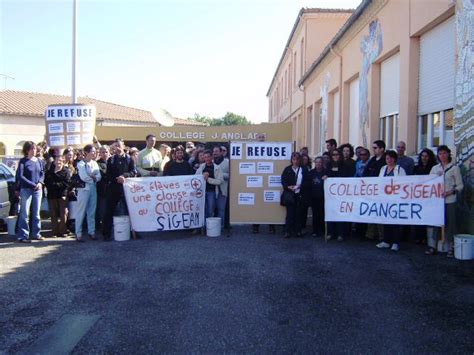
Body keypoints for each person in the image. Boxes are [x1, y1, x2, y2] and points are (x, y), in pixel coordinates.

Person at [427, 145, 463, 257]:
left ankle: (451, 248)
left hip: (449, 200)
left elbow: (460, 185)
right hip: (437, 201)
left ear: (448, 154)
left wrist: (450, 192)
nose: (442, 155)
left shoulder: (454, 168)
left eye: (444, 153)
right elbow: (428, 183)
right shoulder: (435, 168)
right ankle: (433, 246)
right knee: (436, 223)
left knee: (451, 223)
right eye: (440, 153)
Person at [102, 139, 137, 241]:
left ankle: (133, 231)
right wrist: (117, 178)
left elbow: (133, 172)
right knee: (108, 211)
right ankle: (106, 234)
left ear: (123, 146)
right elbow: (108, 175)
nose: (117, 148)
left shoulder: (129, 159)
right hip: (114, 188)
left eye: (119, 145)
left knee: (131, 210)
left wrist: (124, 176)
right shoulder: (111, 160)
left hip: (126, 188)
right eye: (115, 146)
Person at [376, 150, 406, 252]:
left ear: (395, 159)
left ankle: (395, 242)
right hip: (385, 199)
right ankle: (386, 241)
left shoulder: (400, 170)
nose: (389, 160)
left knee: (395, 222)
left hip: (396, 199)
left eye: (391, 158)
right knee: (386, 221)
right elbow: (379, 182)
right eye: (387, 158)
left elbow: (404, 183)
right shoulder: (383, 169)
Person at [15, 141, 45, 243]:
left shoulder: (39, 161)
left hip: (38, 190)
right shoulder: (23, 161)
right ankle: (23, 235)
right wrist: (33, 184)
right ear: (27, 150)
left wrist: (40, 182)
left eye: (35, 149)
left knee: (36, 213)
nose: (33, 151)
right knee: (25, 213)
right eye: (31, 149)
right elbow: (20, 176)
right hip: (26, 190)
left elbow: (42, 173)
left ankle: (36, 233)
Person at [75, 144, 101, 242]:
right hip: (83, 190)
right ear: (86, 153)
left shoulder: (94, 163)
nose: (94, 153)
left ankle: (92, 232)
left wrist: (93, 177)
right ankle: (78, 233)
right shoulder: (81, 164)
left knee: (92, 211)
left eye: (95, 151)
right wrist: (93, 178)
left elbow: (99, 176)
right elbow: (84, 177)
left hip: (93, 188)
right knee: (81, 212)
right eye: (92, 151)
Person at [326, 148, 352, 241]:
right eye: (333, 155)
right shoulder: (328, 165)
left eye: (337, 154)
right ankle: (330, 233)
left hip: (342, 194)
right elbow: (327, 175)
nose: (335, 156)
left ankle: (341, 234)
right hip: (331, 195)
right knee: (331, 213)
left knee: (340, 214)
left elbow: (347, 177)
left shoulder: (345, 165)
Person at [195, 150, 224, 234]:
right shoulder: (201, 167)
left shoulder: (217, 168)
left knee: (210, 210)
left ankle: (210, 228)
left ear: (212, 157)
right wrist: (202, 176)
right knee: (203, 210)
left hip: (212, 192)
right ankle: (203, 228)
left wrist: (208, 179)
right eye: (205, 157)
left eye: (208, 156)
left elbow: (220, 181)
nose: (207, 158)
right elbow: (195, 178)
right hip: (202, 192)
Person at [45, 156, 71, 238]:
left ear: (63, 161)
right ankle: (55, 232)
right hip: (51, 195)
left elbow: (66, 183)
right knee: (53, 214)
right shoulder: (49, 172)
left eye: (60, 161)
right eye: (57, 160)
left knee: (63, 214)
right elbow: (47, 183)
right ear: (54, 162)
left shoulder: (66, 171)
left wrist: (55, 185)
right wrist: (56, 185)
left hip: (62, 195)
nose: (58, 162)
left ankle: (62, 231)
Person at [281, 152, 305, 238]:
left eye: (297, 159)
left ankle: (298, 231)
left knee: (298, 214)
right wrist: (288, 187)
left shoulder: (303, 169)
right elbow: (283, 180)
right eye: (294, 159)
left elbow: (307, 180)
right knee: (290, 214)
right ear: (291, 160)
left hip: (299, 194)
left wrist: (301, 186)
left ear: (300, 160)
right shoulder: (287, 169)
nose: (295, 161)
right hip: (290, 194)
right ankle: (287, 231)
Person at [307, 156, 327, 238]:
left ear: (322, 163)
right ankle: (315, 230)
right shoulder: (311, 173)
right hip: (313, 196)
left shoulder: (326, 172)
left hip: (323, 197)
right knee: (315, 214)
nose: (318, 164)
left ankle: (322, 230)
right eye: (317, 162)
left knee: (322, 214)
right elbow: (308, 184)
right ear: (315, 163)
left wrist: (327, 178)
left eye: (320, 162)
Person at [212, 146, 229, 230]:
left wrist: (220, 175)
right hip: (212, 190)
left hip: (223, 190)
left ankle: (221, 227)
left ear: (221, 152)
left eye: (216, 151)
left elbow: (231, 175)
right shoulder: (210, 162)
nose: (215, 153)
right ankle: (212, 227)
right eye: (213, 151)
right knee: (211, 209)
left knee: (221, 209)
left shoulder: (227, 162)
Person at [95, 145, 110, 233]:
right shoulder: (97, 163)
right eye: (103, 152)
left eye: (106, 152)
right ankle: (100, 227)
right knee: (102, 210)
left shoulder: (112, 161)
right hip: (102, 190)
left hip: (112, 189)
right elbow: (103, 174)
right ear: (100, 153)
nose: (104, 154)